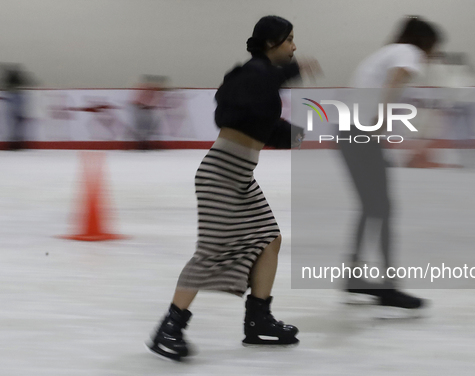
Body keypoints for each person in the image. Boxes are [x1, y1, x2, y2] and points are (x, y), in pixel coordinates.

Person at [147, 15, 318, 361]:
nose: (295, 47)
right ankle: (169, 328)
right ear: (272, 43)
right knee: (210, 252)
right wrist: (292, 70)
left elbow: (266, 128)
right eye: (289, 40)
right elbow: (245, 93)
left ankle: (258, 320)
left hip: (240, 176)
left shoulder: (259, 85)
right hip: (220, 175)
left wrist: (304, 134)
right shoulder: (253, 74)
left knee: (269, 239)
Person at [341, 16, 442, 309]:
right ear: (424, 41)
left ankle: (354, 274)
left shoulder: (388, 51)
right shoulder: (407, 52)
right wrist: (382, 119)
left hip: (348, 131)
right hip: (361, 131)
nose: (432, 54)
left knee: (372, 205)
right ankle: (388, 285)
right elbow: (396, 78)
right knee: (382, 206)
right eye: (433, 46)